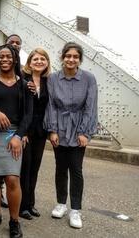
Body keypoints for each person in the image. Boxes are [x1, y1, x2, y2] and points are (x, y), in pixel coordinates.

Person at [44, 42, 98, 229]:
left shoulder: (89, 78)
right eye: (68, 56)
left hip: (78, 128)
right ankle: (61, 204)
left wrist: (84, 132)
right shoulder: (52, 78)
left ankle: (75, 209)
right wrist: (52, 129)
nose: (71, 59)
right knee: (60, 168)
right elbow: (50, 104)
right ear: (62, 57)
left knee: (76, 170)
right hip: (59, 126)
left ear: (79, 60)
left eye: (75, 56)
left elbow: (90, 107)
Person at [0, 44, 33, 238]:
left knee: (12, 177)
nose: (4, 59)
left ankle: (14, 221)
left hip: (14, 133)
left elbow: (28, 115)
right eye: (1, 57)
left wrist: (18, 136)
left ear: (14, 59)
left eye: (8, 56)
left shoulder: (25, 84)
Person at [19, 48, 51, 220]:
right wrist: (21, 131)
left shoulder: (48, 81)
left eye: (43, 59)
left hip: (40, 132)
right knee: (25, 167)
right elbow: (19, 106)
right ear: (29, 62)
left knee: (35, 169)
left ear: (47, 62)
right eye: (36, 59)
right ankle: (22, 206)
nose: (39, 61)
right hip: (26, 131)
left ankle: (30, 204)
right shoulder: (23, 79)